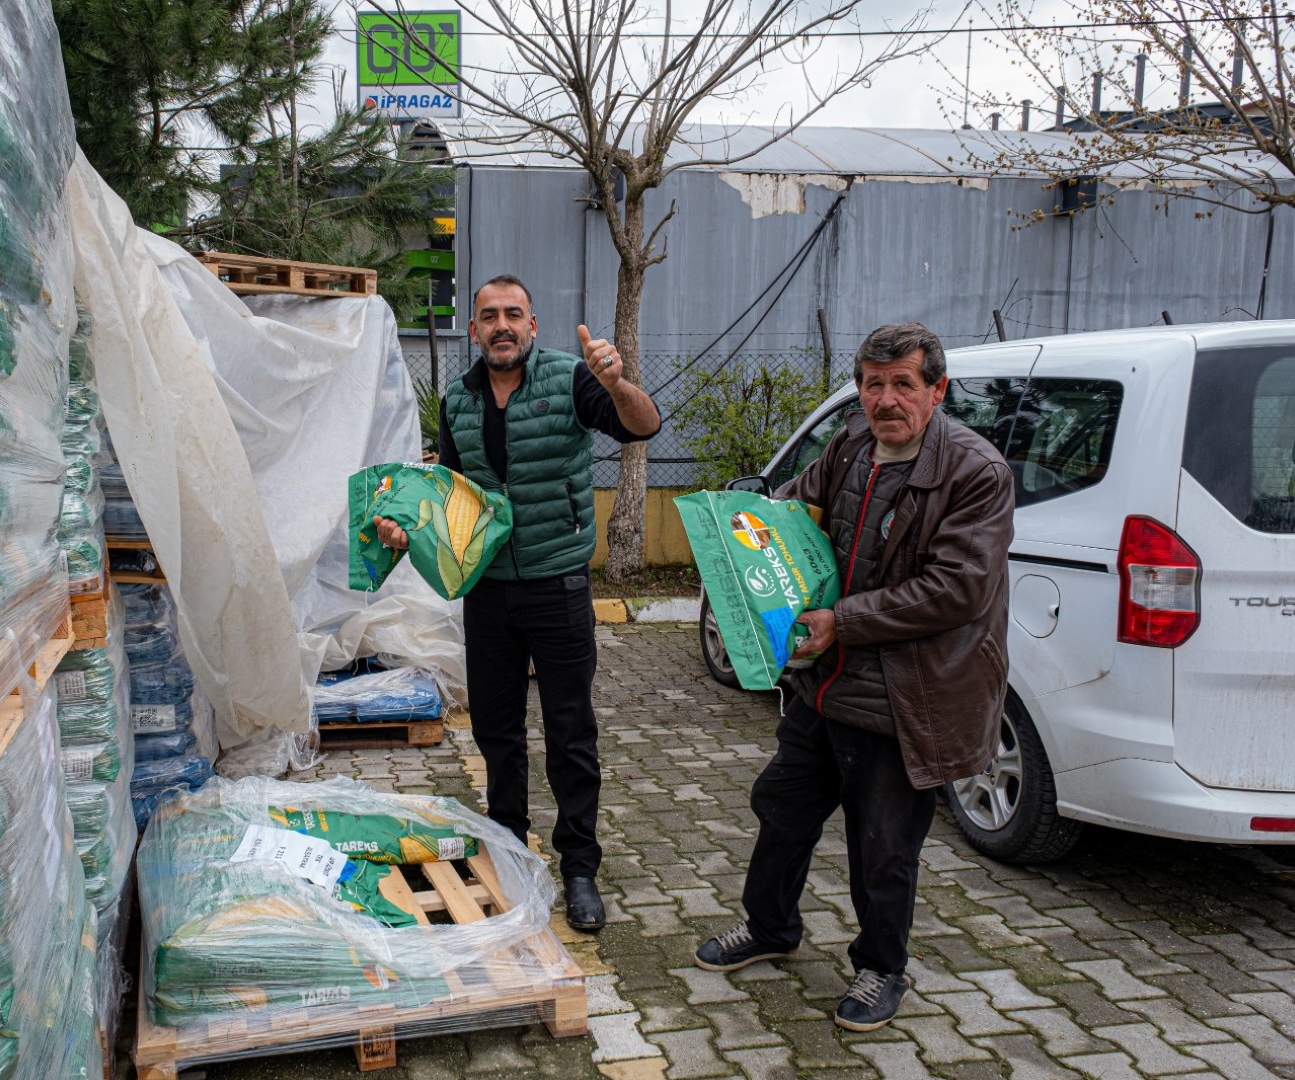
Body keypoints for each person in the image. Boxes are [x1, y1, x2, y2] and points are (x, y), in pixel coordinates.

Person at [693, 323, 1014, 1031]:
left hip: (905, 699)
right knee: (781, 812)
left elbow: (955, 589)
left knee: (884, 847)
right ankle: (770, 927)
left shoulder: (974, 472)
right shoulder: (848, 446)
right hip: (825, 686)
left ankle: (879, 968)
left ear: (936, 390)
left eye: (902, 383)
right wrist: (749, 537)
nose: (885, 399)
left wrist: (844, 618)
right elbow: (794, 512)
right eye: (872, 383)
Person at [375, 275, 660, 931]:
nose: (500, 325)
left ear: (533, 324)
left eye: (512, 314)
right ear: (472, 330)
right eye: (487, 316)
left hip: (557, 586)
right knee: (496, 733)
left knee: (569, 734)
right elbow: (449, 492)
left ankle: (579, 868)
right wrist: (401, 529)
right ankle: (505, 849)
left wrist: (615, 381)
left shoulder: (570, 380)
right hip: (486, 591)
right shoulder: (458, 396)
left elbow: (641, 427)